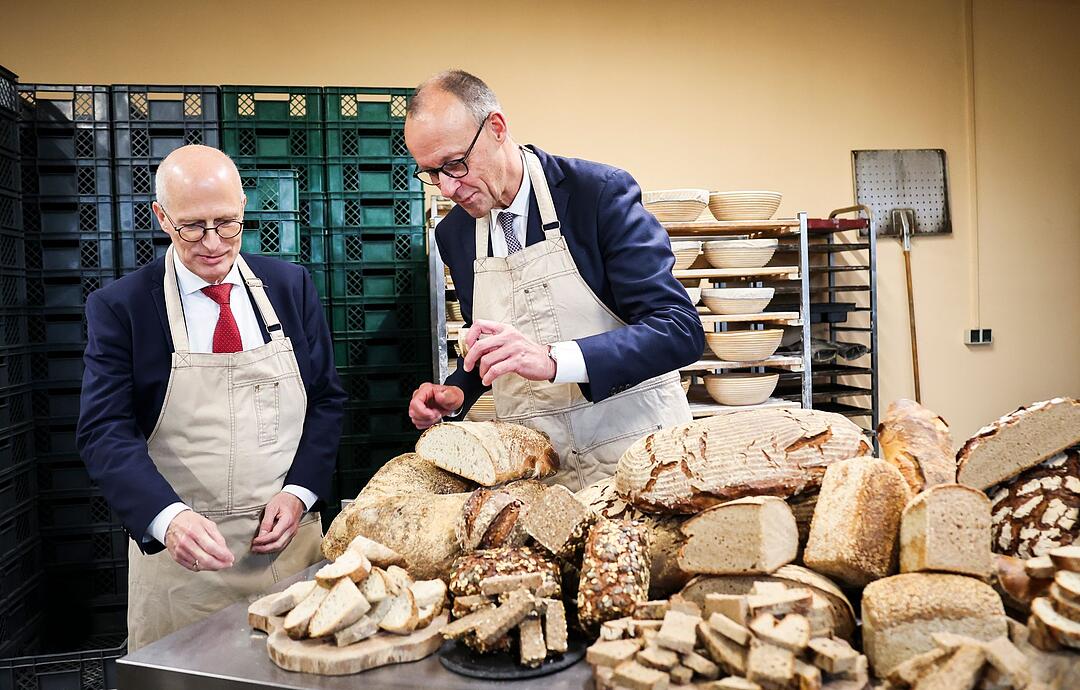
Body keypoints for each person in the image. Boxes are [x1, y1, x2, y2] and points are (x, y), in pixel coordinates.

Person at [77, 145, 346, 651]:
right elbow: (104, 431)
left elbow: (326, 401)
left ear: (243, 207)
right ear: (161, 217)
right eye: (192, 226)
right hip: (184, 568)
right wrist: (168, 518)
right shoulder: (122, 308)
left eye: (227, 223)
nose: (212, 242)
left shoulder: (291, 287)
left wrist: (302, 492)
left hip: (290, 554)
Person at [405, 70, 704, 490]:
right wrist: (457, 392)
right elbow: (489, 342)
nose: (448, 188)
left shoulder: (597, 195)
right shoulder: (454, 234)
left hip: (641, 459)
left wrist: (553, 360)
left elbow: (679, 330)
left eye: (455, 164)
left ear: (496, 127)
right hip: (541, 475)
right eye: (432, 173)